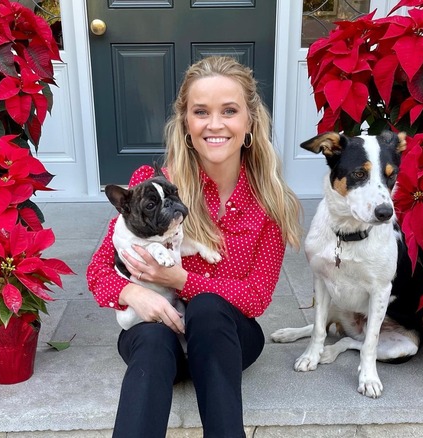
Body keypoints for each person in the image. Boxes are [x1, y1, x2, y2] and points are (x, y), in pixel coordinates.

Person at [86, 56, 303, 437]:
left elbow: (254, 300)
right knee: (152, 338)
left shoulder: (270, 203)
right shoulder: (152, 186)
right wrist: (135, 292)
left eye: (229, 111)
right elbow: (99, 270)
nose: (215, 124)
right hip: (159, 339)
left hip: (229, 342)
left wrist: (181, 278)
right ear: (186, 123)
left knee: (206, 307)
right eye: (201, 111)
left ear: (250, 120)